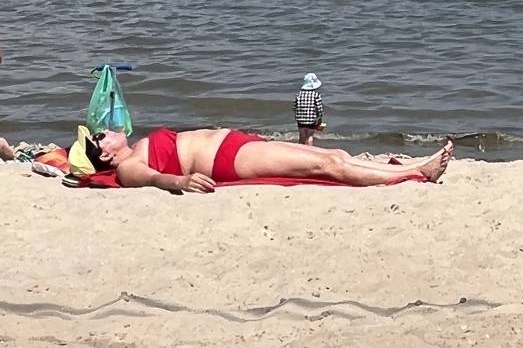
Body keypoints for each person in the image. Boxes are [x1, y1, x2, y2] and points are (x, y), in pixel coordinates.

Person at [82, 127, 453, 192]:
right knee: (328, 166)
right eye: (100, 137)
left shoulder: (139, 146)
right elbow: (153, 179)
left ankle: (410, 168)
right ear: (106, 155)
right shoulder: (128, 166)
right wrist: (181, 182)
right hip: (227, 160)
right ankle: (416, 174)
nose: (106, 131)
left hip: (236, 145)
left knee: (335, 154)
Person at [295, 73, 324, 145]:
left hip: (300, 119)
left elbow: (294, 107)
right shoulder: (316, 95)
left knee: (302, 136)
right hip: (311, 120)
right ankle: (309, 149)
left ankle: (300, 149)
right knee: (310, 136)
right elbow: (319, 109)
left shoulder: (299, 95)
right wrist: (320, 118)